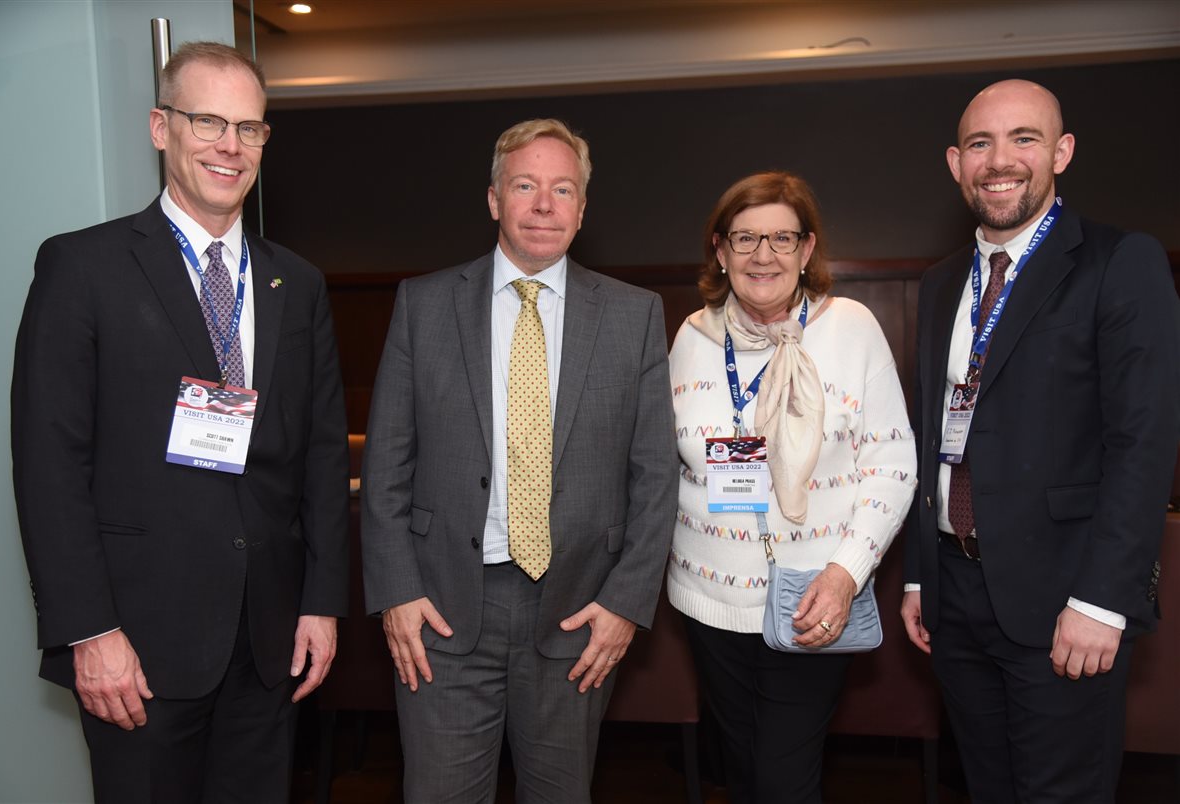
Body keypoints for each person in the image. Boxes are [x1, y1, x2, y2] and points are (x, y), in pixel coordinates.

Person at [11, 42, 349, 803]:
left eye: (250, 129)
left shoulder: (296, 281)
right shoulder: (83, 268)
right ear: (160, 128)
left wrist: (321, 601)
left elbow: (322, 453)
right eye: (207, 122)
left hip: (268, 643)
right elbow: (48, 464)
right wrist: (89, 632)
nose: (230, 146)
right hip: (137, 645)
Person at [361, 118, 677, 803]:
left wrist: (624, 605)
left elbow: (656, 477)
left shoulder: (634, 316)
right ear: (494, 199)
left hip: (577, 617)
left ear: (583, 208)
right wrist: (395, 592)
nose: (543, 204)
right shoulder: (424, 304)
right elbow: (386, 463)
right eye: (525, 185)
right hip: (440, 612)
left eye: (562, 189)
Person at [901, 79, 1179, 803]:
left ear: (1062, 152)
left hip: (1064, 600)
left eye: (1024, 139)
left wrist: (1104, 600)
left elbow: (1143, 445)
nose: (1001, 161)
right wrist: (918, 574)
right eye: (981, 144)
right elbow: (930, 436)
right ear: (955, 163)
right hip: (955, 597)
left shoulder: (1121, 262)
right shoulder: (937, 286)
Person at [667, 171, 917, 803]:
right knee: (744, 769)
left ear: (807, 250)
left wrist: (847, 573)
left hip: (814, 597)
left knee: (783, 777)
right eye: (745, 238)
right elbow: (665, 464)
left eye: (782, 238)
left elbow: (892, 463)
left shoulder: (851, 328)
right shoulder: (691, 338)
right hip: (708, 600)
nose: (763, 255)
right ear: (719, 251)